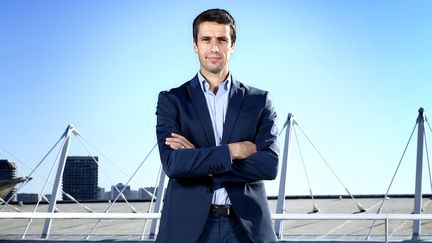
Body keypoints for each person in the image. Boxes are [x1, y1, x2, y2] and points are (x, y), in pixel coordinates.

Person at [155, 8, 279, 243]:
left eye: (222, 39)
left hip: (246, 230)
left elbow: (268, 165)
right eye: (206, 39)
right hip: (188, 230)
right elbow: (173, 164)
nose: (214, 47)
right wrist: (234, 151)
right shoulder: (172, 100)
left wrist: (199, 161)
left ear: (232, 45)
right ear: (195, 45)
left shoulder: (259, 101)